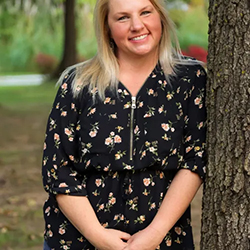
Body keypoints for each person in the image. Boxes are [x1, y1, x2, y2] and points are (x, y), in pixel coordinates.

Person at [41, 0, 207, 249]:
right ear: (107, 27)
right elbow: (59, 170)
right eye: (122, 18)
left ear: (160, 16)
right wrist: (98, 237)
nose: (137, 25)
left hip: (163, 241)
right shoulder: (78, 84)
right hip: (77, 240)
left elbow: (195, 159)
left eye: (145, 12)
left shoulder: (189, 80)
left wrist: (156, 232)